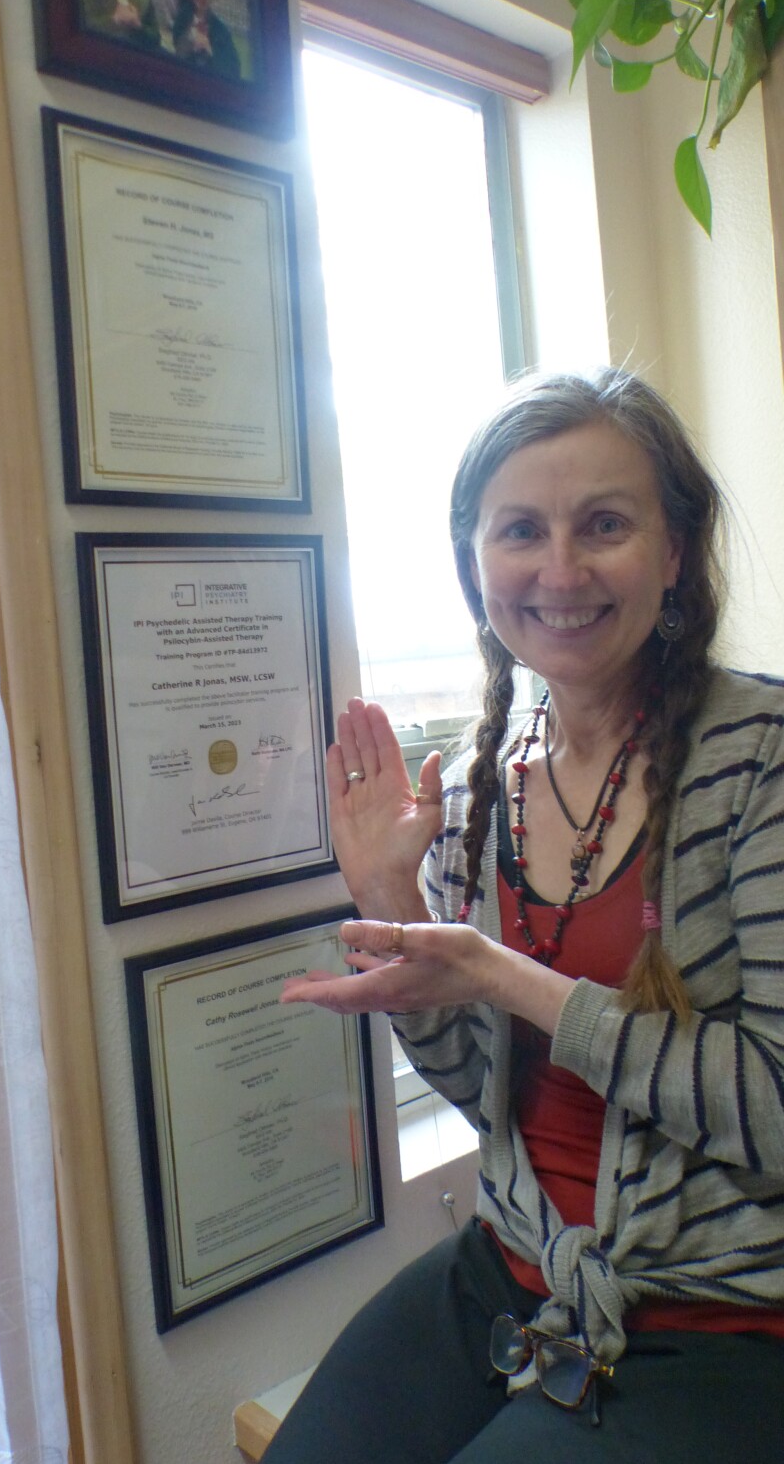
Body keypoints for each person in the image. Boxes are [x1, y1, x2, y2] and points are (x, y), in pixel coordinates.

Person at [265, 369, 784, 1463]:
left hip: (726, 1318)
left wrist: (507, 976)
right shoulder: (472, 788)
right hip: (512, 1271)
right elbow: (485, 1095)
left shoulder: (763, 764)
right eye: (520, 531)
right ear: (473, 563)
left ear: (674, 554)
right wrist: (389, 901)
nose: (560, 570)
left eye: (604, 524)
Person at [172, 0, 240, 80]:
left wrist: (210, 50)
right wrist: (191, 38)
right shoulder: (182, 18)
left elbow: (234, 70)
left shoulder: (221, 30)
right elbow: (178, 52)